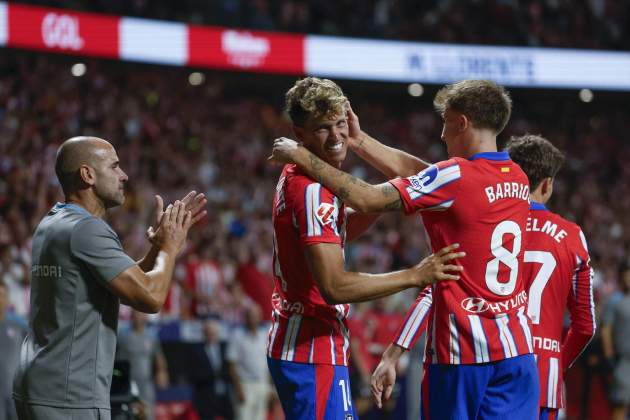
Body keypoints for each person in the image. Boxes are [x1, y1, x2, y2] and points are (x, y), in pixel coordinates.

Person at [270, 79, 539, 419]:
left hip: (463, 350)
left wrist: (300, 155)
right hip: (517, 348)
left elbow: (370, 198)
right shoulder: (516, 178)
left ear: (461, 123)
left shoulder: (453, 176)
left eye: (445, 123)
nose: (441, 135)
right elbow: (426, 178)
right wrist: (359, 140)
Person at [371, 134, 596, 420]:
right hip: (537, 374)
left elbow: (438, 288)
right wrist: (555, 363)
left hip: (479, 356)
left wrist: (394, 352)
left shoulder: (486, 219)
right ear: (548, 184)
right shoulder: (572, 237)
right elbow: (585, 326)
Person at [12, 136, 206, 420]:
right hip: (70, 395)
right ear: (87, 174)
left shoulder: (53, 222)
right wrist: (170, 247)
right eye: (114, 166)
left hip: (41, 384)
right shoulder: (87, 230)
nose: (124, 175)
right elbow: (150, 297)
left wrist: (156, 249)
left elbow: (125, 283)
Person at [116, 311, 169, 420]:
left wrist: (162, 372)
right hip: (127, 384)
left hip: (146, 384)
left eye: (141, 314)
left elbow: (158, 357)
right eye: (135, 314)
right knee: (126, 414)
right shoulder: (122, 335)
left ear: (146, 316)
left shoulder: (152, 336)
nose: (138, 317)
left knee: (147, 414)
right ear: (131, 316)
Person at [226, 304, 271, 420]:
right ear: (246, 318)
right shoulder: (237, 335)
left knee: (260, 417)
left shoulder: (264, 335)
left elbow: (268, 364)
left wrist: (270, 388)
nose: (254, 319)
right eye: (251, 316)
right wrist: (238, 389)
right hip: (245, 385)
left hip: (262, 384)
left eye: (256, 316)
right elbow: (231, 365)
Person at [601, 264, 630, 420]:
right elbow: (606, 329)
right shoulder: (615, 301)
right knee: (620, 405)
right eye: (626, 276)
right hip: (623, 361)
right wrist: (609, 355)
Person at [0, 281, 26, 420]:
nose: (0, 299)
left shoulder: (19, 325)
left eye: (3, 295)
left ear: (8, 298)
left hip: (14, 392)